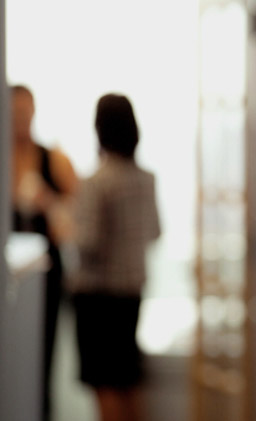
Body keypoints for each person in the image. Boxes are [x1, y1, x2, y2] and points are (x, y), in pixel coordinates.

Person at [70, 94, 160, 421]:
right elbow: (155, 232)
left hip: (98, 296)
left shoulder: (97, 182)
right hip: (131, 293)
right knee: (127, 381)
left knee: (104, 384)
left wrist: (64, 222)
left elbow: (88, 242)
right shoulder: (146, 180)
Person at [11, 85, 79, 421]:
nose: (20, 119)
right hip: (7, 276)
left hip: (45, 277)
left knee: (41, 358)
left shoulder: (54, 159)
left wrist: (48, 204)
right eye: (14, 113)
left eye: (25, 111)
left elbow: (77, 221)